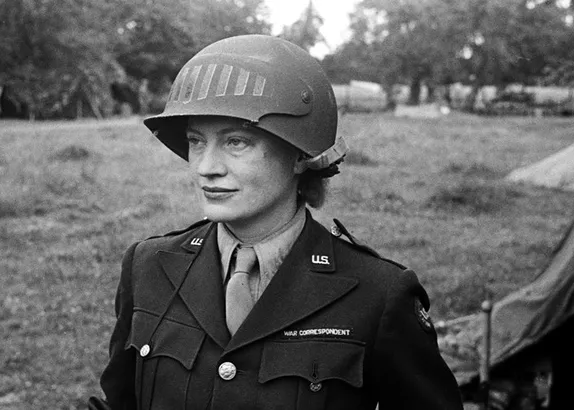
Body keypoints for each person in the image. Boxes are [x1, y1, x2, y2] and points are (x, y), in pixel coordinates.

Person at [91, 34, 463, 410]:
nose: (206, 167)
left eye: (236, 142)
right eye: (196, 141)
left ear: (299, 156)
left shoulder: (376, 294)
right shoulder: (149, 266)